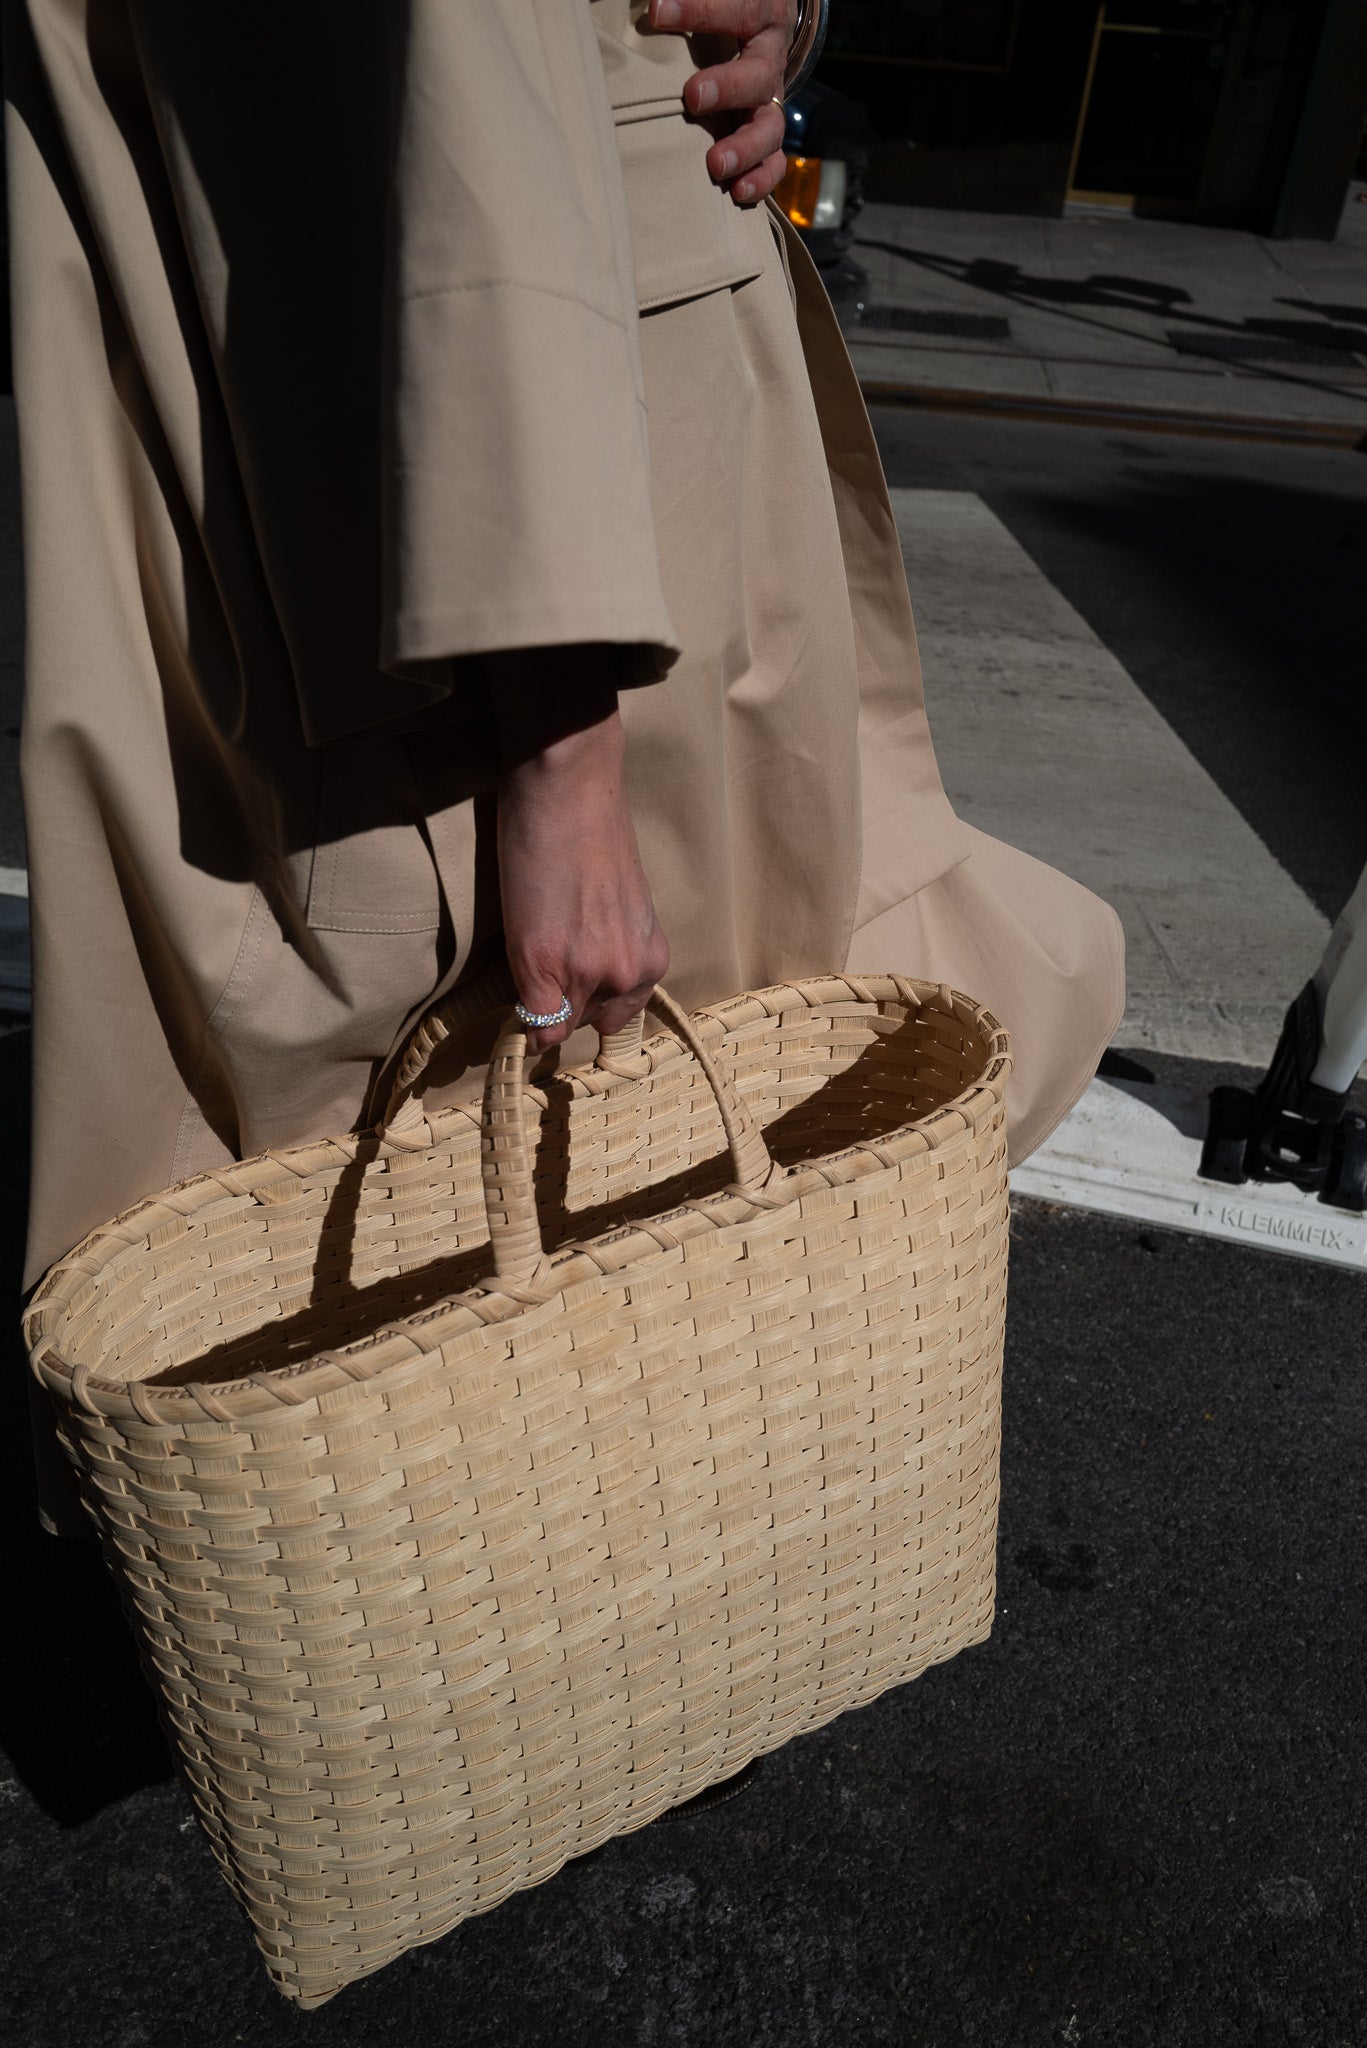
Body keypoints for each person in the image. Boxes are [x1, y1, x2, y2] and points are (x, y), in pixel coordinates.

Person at [6, 0, 1123, 1531]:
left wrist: (785, 21)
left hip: (491, 406)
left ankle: (618, 1576)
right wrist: (564, 740)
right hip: (470, 401)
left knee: (581, 1168)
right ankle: (602, 1580)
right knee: (576, 1176)